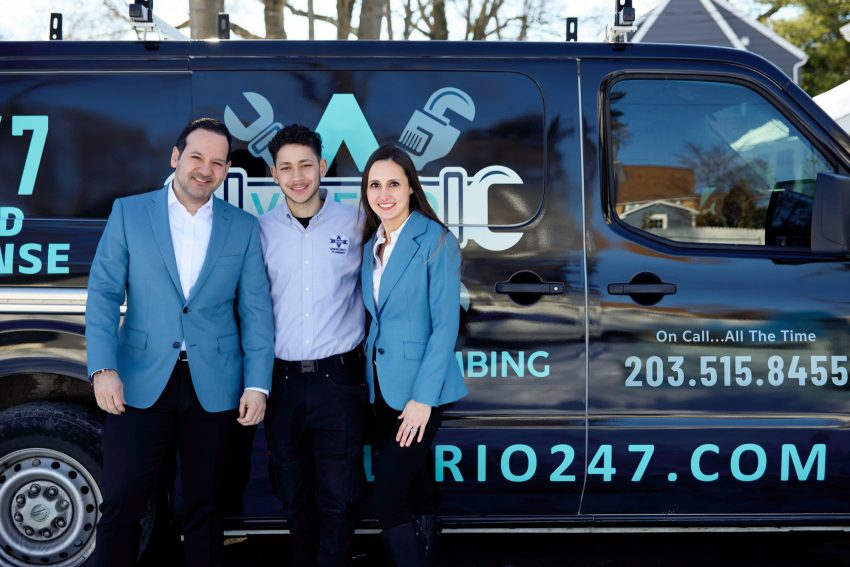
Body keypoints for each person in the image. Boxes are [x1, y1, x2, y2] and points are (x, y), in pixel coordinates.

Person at [85, 118, 274, 567]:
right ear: (175, 157)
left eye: (216, 162)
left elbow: (256, 311)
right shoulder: (130, 212)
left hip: (216, 387)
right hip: (138, 381)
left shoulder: (244, 227)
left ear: (226, 170)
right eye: (196, 157)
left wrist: (258, 384)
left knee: (207, 509)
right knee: (124, 503)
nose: (204, 169)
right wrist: (103, 368)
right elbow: (105, 293)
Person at [259, 124, 367, 567]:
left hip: (338, 379)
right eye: (287, 167)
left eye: (306, 164)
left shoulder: (357, 221)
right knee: (294, 494)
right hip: (281, 382)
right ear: (273, 173)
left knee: (339, 499)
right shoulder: (260, 231)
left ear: (322, 166)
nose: (297, 176)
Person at [359, 144, 468, 566]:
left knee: (386, 496)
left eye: (393, 184)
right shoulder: (372, 244)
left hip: (419, 394)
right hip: (381, 388)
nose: (383, 193)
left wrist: (423, 400)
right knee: (415, 485)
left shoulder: (435, 240)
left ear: (410, 188)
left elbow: (445, 326)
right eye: (374, 184)